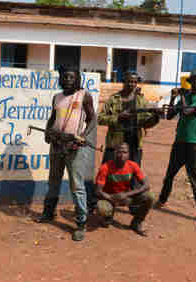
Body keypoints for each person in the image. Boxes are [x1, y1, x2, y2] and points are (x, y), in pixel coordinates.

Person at [37, 65, 97, 242]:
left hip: (74, 147)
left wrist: (83, 137)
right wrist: (48, 132)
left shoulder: (84, 95)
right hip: (56, 145)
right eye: (64, 77)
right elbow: (53, 118)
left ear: (77, 79)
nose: (67, 80)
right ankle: (49, 213)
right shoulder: (57, 97)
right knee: (53, 181)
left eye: (71, 77)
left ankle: (81, 223)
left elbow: (92, 118)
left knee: (77, 186)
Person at [154, 69, 196, 227]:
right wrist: (173, 98)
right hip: (179, 142)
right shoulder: (185, 97)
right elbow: (170, 115)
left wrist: (182, 97)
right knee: (169, 175)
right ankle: (162, 200)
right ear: (190, 82)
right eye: (193, 80)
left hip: (193, 143)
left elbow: (186, 111)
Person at [98, 71, 160, 166]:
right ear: (124, 82)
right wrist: (118, 117)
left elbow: (146, 123)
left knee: (134, 174)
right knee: (108, 172)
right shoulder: (113, 99)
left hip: (134, 143)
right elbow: (100, 119)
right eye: (129, 81)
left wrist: (156, 116)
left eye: (135, 82)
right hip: (115, 143)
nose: (132, 84)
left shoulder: (141, 100)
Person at [95, 143, 154, 236]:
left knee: (149, 197)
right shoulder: (105, 167)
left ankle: (136, 222)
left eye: (125, 152)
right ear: (114, 153)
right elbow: (98, 191)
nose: (122, 155)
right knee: (102, 208)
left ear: (129, 154)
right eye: (119, 152)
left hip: (126, 196)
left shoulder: (133, 165)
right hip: (110, 197)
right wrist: (112, 198)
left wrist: (127, 194)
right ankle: (107, 217)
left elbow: (146, 185)